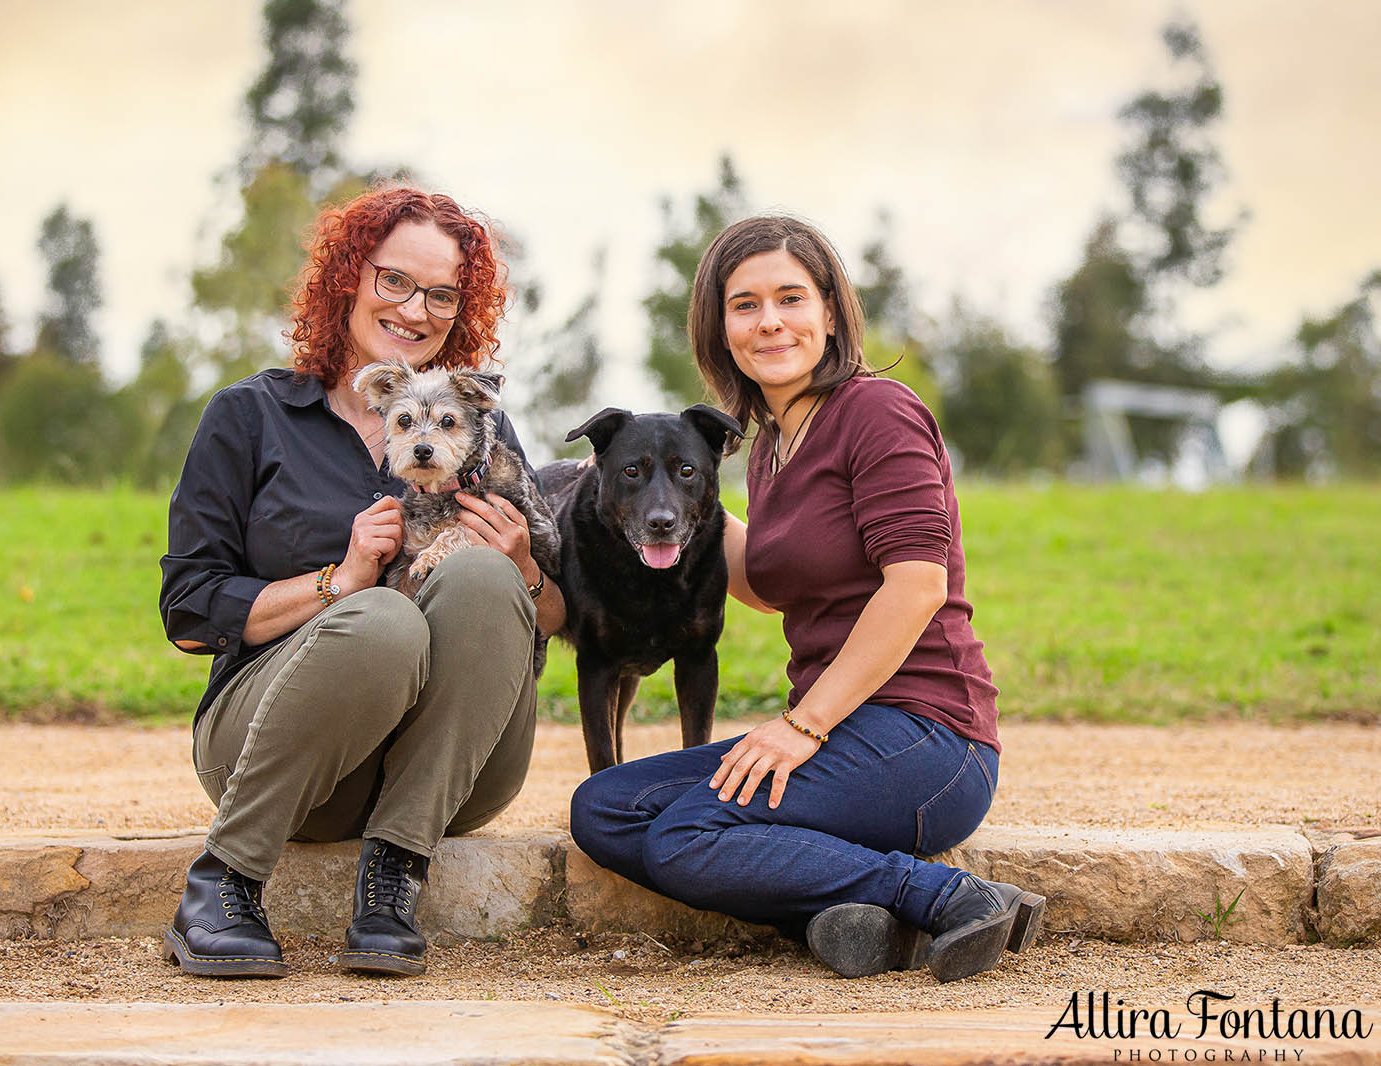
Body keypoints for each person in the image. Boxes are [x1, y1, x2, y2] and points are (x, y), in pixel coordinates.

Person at [569, 215, 1043, 983]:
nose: (770, 322)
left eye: (790, 298)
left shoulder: (877, 412)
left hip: (926, 738)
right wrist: (665, 504)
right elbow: (764, 584)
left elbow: (919, 583)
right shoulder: (766, 446)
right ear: (720, 328)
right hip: (840, 737)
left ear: (830, 310)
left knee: (686, 833)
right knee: (605, 809)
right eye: (745, 304)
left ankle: (950, 895)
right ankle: (847, 917)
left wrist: (802, 724)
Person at [159, 186, 564, 979]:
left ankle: (393, 882)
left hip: (451, 774)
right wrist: (338, 582)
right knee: (382, 619)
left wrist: (522, 568)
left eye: (442, 294)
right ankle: (225, 880)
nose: (415, 309)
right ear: (348, 277)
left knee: (483, 574)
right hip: (287, 759)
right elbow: (187, 613)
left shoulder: (479, 428)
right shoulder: (249, 418)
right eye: (395, 281)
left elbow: (553, 617)